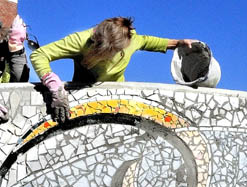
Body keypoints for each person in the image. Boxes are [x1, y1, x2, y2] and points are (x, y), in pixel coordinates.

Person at [29, 16, 198, 122]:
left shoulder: (132, 39)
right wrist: (53, 84)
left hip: (115, 96)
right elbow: (39, 55)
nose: (112, 56)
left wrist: (178, 43)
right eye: (109, 52)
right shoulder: (80, 40)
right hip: (83, 97)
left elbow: (148, 41)